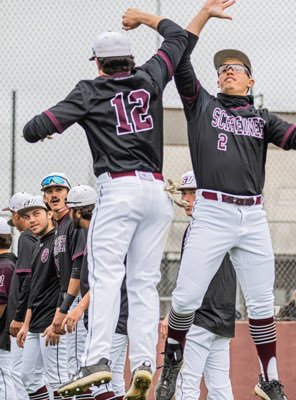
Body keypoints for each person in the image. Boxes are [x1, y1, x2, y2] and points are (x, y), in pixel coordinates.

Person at [124, 0, 296, 398]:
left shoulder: (263, 119)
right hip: (212, 211)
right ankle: (171, 360)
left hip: (253, 216)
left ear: (250, 81)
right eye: (223, 68)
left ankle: (269, 377)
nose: (227, 71)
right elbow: (178, 44)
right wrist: (197, 15)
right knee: (187, 298)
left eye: (236, 68)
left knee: (261, 304)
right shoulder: (201, 104)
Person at [23, 7, 189, 398]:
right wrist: (148, 19)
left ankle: (98, 359)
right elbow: (178, 38)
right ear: (130, 59)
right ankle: (145, 361)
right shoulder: (150, 76)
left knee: (106, 277)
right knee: (145, 283)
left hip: (119, 191)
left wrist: (53, 127)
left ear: (99, 63)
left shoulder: (90, 90)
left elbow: (33, 129)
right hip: (155, 193)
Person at [159, 171, 236, 400]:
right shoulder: (226, 224)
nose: (186, 199)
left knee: (186, 382)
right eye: (184, 193)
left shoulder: (198, 228)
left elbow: (190, 278)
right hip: (223, 316)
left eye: (193, 193)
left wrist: (174, 313)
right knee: (220, 385)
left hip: (199, 316)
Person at [61, 185, 129, 400]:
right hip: (121, 316)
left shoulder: (99, 235)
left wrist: (79, 307)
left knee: (97, 381)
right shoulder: (103, 232)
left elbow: (104, 279)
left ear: (78, 212)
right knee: (114, 380)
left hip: (111, 318)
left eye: (71, 208)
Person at [39, 172, 89, 394]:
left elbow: (78, 268)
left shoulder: (73, 223)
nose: (54, 195)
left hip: (77, 297)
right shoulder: (59, 226)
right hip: (68, 298)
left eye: (59, 190)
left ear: (68, 194)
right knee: (73, 367)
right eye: (49, 192)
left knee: (77, 367)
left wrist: (65, 308)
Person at [16, 196, 69, 400]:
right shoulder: (38, 244)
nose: (31, 220)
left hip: (51, 322)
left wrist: (58, 320)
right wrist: (25, 324)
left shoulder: (58, 241)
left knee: (58, 379)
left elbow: (65, 284)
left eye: (36, 214)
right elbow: (34, 288)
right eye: (27, 216)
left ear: (49, 214)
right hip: (35, 323)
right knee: (28, 377)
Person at [3, 192, 36, 400]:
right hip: (31, 315)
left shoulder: (26, 238)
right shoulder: (35, 237)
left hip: (26, 317)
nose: (14, 224)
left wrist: (19, 317)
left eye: (14, 217)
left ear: (17, 214)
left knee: (18, 373)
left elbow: (27, 280)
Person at [0, 217, 18, 399]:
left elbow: (1, 302)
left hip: (3, 333)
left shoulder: (4, 265)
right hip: (8, 332)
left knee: (5, 379)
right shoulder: (11, 261)